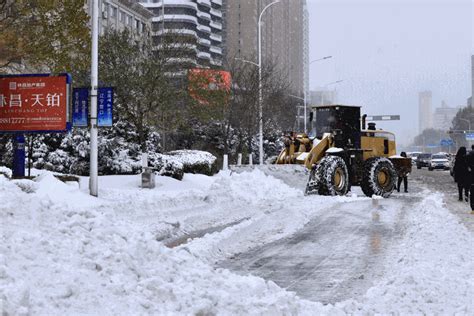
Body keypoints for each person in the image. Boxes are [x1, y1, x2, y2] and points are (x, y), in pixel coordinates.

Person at [467, 145, 474, 214]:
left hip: (471, 178)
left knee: (472, 193)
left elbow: (467, 166)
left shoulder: (469, 155)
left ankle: (473, 208)